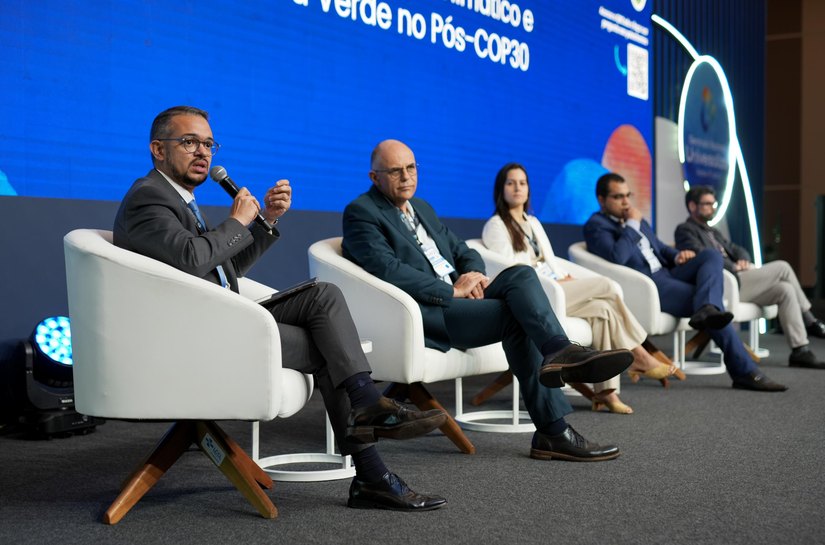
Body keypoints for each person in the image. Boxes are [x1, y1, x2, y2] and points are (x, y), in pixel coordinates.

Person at [113, 106, 450, 512]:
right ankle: (372, 467)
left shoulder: (180, 200)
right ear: (158, 149)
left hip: (219, 317)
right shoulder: (148, 197)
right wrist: (237, 223)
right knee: (330, 345)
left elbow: (221, 268)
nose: (203, 152)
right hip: (193, 334)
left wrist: (264, 220)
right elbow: (190, 258)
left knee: (323, 296)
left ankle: (368, 416)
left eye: (208, 144)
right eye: (189, 143)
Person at [342, 139, 634, 462]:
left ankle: (557, 350)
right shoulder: (361, 213)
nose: (407, 176)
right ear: (374, 177)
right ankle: (553, 430)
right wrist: (452, 290)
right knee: (516, 318)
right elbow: (388, 269)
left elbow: (464, 251)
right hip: (430, 310)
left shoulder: (421, 208)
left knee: (522, 274)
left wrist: (476, 278)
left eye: (411, 168)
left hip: (461, 296)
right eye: (395, 171)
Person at [482, 163, 685, 414]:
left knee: (603, 310)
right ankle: (640, 354)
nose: (517, 188)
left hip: (554, 287)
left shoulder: (532, 221)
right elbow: (512, 273)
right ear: (500, 189)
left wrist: (560, 274)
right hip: (535, 296)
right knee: (606, 285)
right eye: (511, 183)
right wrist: (554, 281)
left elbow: (548, 259)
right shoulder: (496, 225)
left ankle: (606, 394)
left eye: (522, 183)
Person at [583, 172, 787, 392]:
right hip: (649, 285)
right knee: (716, 312)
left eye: (628, 195)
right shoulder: (597, 225)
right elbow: (617, 256)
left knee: (711, 256)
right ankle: (745, 371)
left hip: (669, 273)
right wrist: (632, 223)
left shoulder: (639, 222)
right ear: (602, 200)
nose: (626, 202)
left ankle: (707, 307)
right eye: (618, 197)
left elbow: (660, 248)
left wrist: (677, 256)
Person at [675, 185, 825, 369]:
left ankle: (800, 350)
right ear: (692, 206)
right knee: (783, 267)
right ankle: (810, 320)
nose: (712, 208)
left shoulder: (713, 231)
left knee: (785, 290)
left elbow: (738, 249)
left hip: (740, 280)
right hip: (725, 284)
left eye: (713, 204)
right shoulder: (685, 230)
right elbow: (703, 256)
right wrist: (734, 266)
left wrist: (744, 260)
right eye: (707, 204)